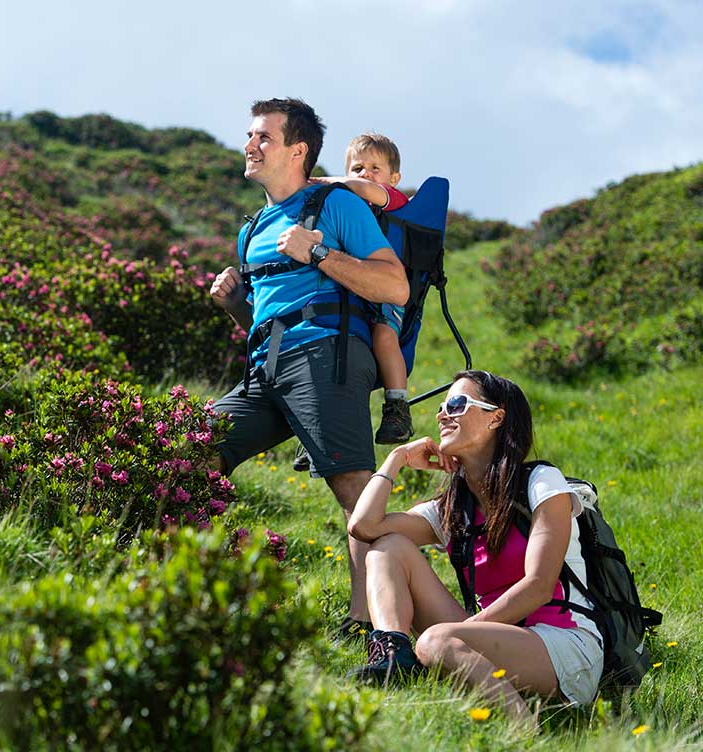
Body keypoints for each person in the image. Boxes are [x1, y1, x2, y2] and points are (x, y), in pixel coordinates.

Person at [209, 98, 408, 637]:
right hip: (264, 370)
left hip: (326, 355)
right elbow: (263, 321)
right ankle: (193, 588)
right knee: (189, 450)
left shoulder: (337, 205)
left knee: (354, 492)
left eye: (262, 137)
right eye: (250, 136)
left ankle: (375, 628)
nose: (249, 145)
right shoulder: (250, 230)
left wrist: (317, 254)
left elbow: (395, 286)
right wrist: (234, 305)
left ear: (297, 150)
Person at [346, 370, 604, 723]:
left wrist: (460, 635)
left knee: (436, 643)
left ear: (496, 417)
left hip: (562, 642)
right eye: (441, 407)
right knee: (386, 546)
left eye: (456, 404)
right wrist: (398, 459)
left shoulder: (542, 483)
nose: (441, 415)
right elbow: (364, 528)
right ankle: (393, 656)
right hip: (493, 635)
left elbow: (540, 586)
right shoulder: (454, 506)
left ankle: (523, 732)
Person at [319, 134, 412, 444]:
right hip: (349, 295)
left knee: (384, 337)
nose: (365, 174)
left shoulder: (393, 200)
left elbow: (365, 189)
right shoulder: (339, 208)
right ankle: (321, 423)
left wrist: (316, 181)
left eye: (375, 167)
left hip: (386, 291)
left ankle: (397, 407)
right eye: (357, 168)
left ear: (394, 178)